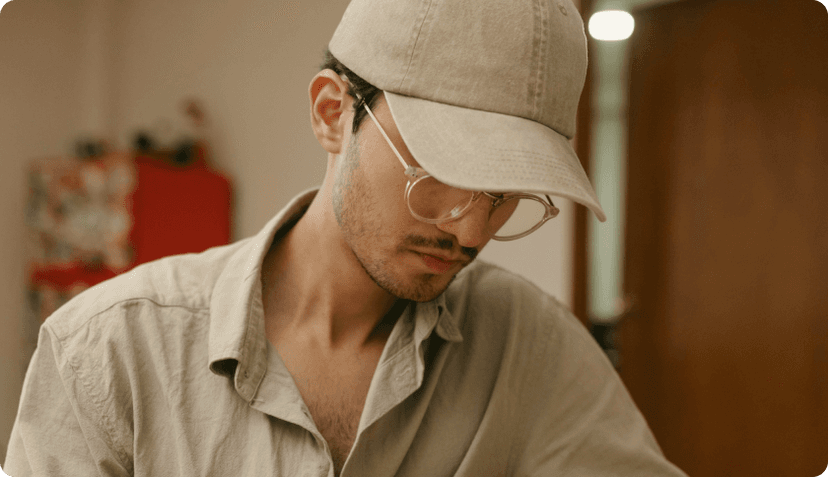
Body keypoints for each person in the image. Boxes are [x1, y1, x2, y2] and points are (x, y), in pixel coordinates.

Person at [4, 0, 688, 475]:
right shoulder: (108, 351)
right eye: (441, 171)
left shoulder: (528, 344)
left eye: (505, 193)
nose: (473, 229)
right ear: (334, 114)